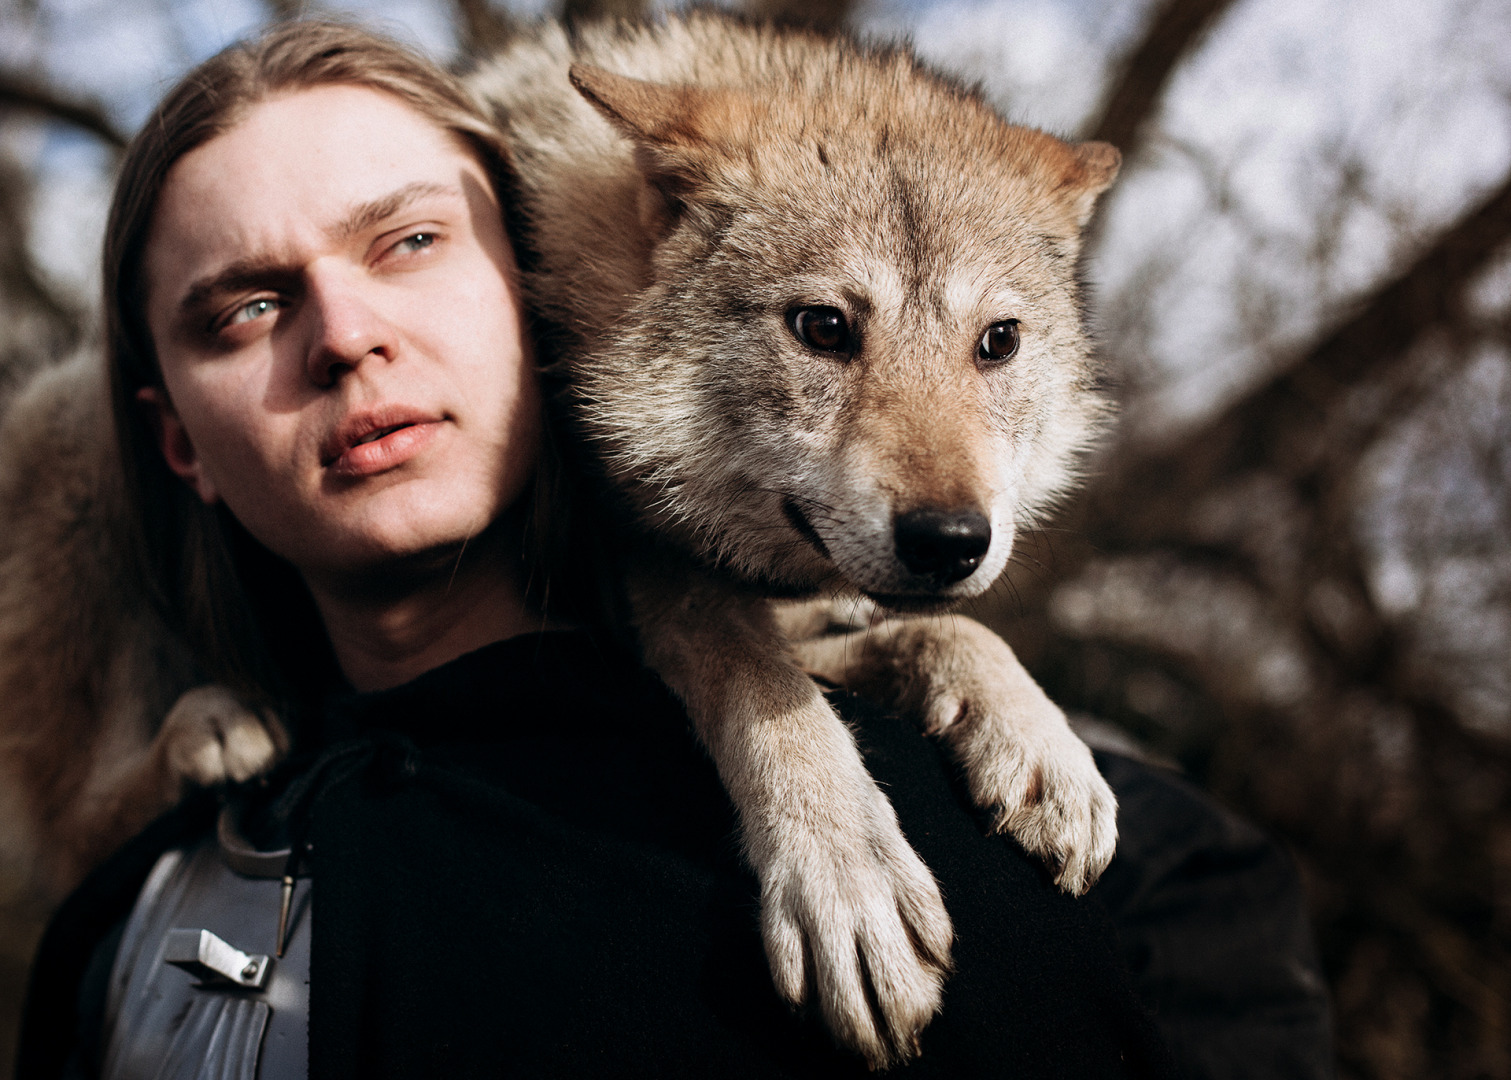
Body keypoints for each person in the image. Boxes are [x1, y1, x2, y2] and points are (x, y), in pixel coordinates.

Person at [15, 19, 1331, 1080]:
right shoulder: (121, 948)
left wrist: (943, 669)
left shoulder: (1150, 879)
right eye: (245, 306)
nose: (350, 335)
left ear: (515, 291)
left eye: (412, 243)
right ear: (174, 438)